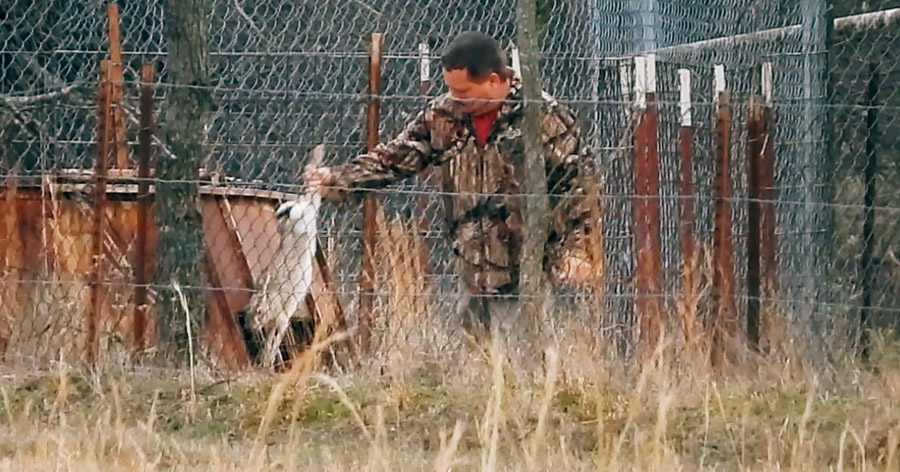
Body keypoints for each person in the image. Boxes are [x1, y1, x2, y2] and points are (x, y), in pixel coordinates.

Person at [304, 31, 603, 339]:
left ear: (494, 80)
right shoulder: (445, 115)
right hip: (473, 270)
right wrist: (337, 178)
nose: (456, 99)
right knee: (474, 364)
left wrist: (579, 251)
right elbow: (396, 157)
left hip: (531, 269)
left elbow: (580, 186)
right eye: (451, 90)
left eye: (464, 91)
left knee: (527, 365)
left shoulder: (541, 116)